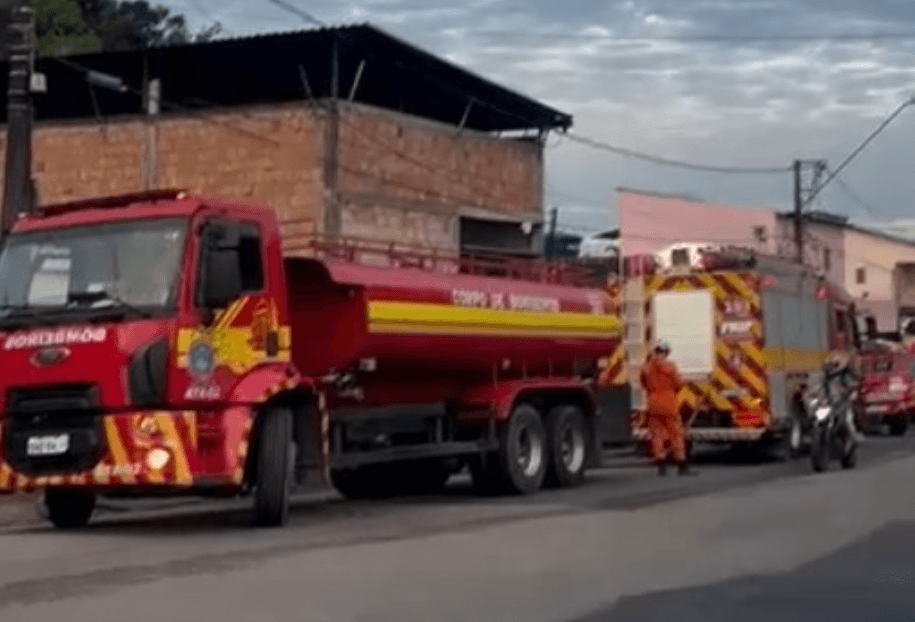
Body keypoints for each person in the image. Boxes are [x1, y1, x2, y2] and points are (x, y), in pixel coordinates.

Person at [640, 340, 694, 476]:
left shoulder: (646, 366)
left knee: (657, 434)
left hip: (653, 402)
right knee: (675, 433)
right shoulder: (670, 366)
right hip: (668, 401)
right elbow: (678, 383)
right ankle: (682, 464)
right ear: (667, 352)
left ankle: (661, 464)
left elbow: (643, 382)